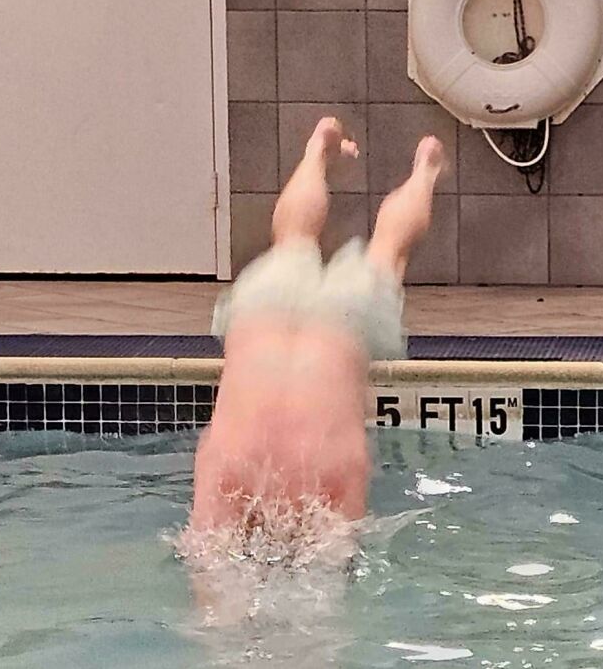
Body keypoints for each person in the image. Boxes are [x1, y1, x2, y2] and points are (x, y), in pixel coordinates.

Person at [189, 117, 445, 542]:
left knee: (380, 251)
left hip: (339, 327)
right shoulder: (233, 475)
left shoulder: (242, 478)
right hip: (266, 312)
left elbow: (211, 583)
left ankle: (417, 166)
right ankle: (345, 155)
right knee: (297, 239)